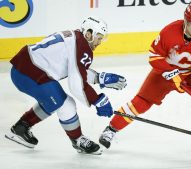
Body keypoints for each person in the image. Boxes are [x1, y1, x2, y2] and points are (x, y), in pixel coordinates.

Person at [98, 3, 191, 155]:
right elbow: (154, 57)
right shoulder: (170, 31)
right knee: (141, 101)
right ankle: (111, 129)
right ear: (185, 22)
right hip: (165, 72)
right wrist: (172, 74)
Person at [5, 16, 127, 155]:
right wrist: (97, 100)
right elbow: (76, 83)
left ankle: (20, 128)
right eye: (98, 37)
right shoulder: (82, 46)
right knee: (65, 104)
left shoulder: (76, 38)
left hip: (25, 69)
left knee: (54, 100)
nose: (99, 42)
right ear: (88, 33)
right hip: (29, 73)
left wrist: (100, 78)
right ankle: (77, 140)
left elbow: (75, 69)